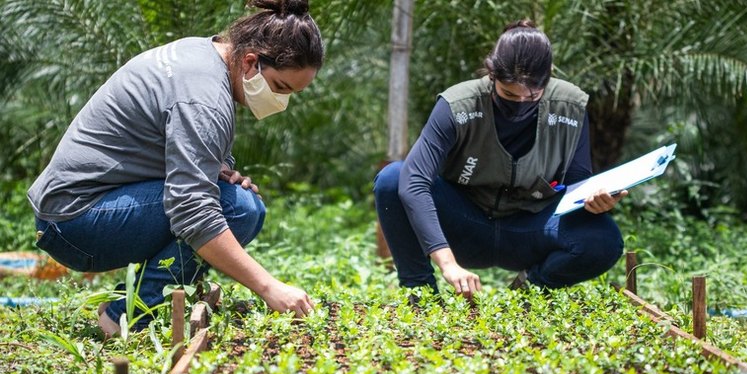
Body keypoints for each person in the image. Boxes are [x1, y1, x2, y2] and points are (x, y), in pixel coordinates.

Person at [27, 0, 324, 336]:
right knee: (239, 209)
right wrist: (269, 287)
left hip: (72, 213)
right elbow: (192, 209)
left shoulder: (202, 55)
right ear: (251, 61)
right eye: (280, 87)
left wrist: (215, 169)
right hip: (75, 222)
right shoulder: (204, 97)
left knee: (234, 200)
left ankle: (129, 301)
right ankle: (125, 317)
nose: (281, 101)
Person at [374, 19, 625, 300]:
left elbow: (578, 185)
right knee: (392, 179)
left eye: (532, 96)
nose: (520, 103)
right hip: (464, 225)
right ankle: (421, 295)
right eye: (508, 94)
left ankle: (529, 291)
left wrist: (596, 202)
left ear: (548, 78)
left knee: (604, 240)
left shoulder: (571, 107)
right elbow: (414, 181)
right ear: (492, 74)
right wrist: (448, 264)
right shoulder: (457, 104)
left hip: (531, 229)